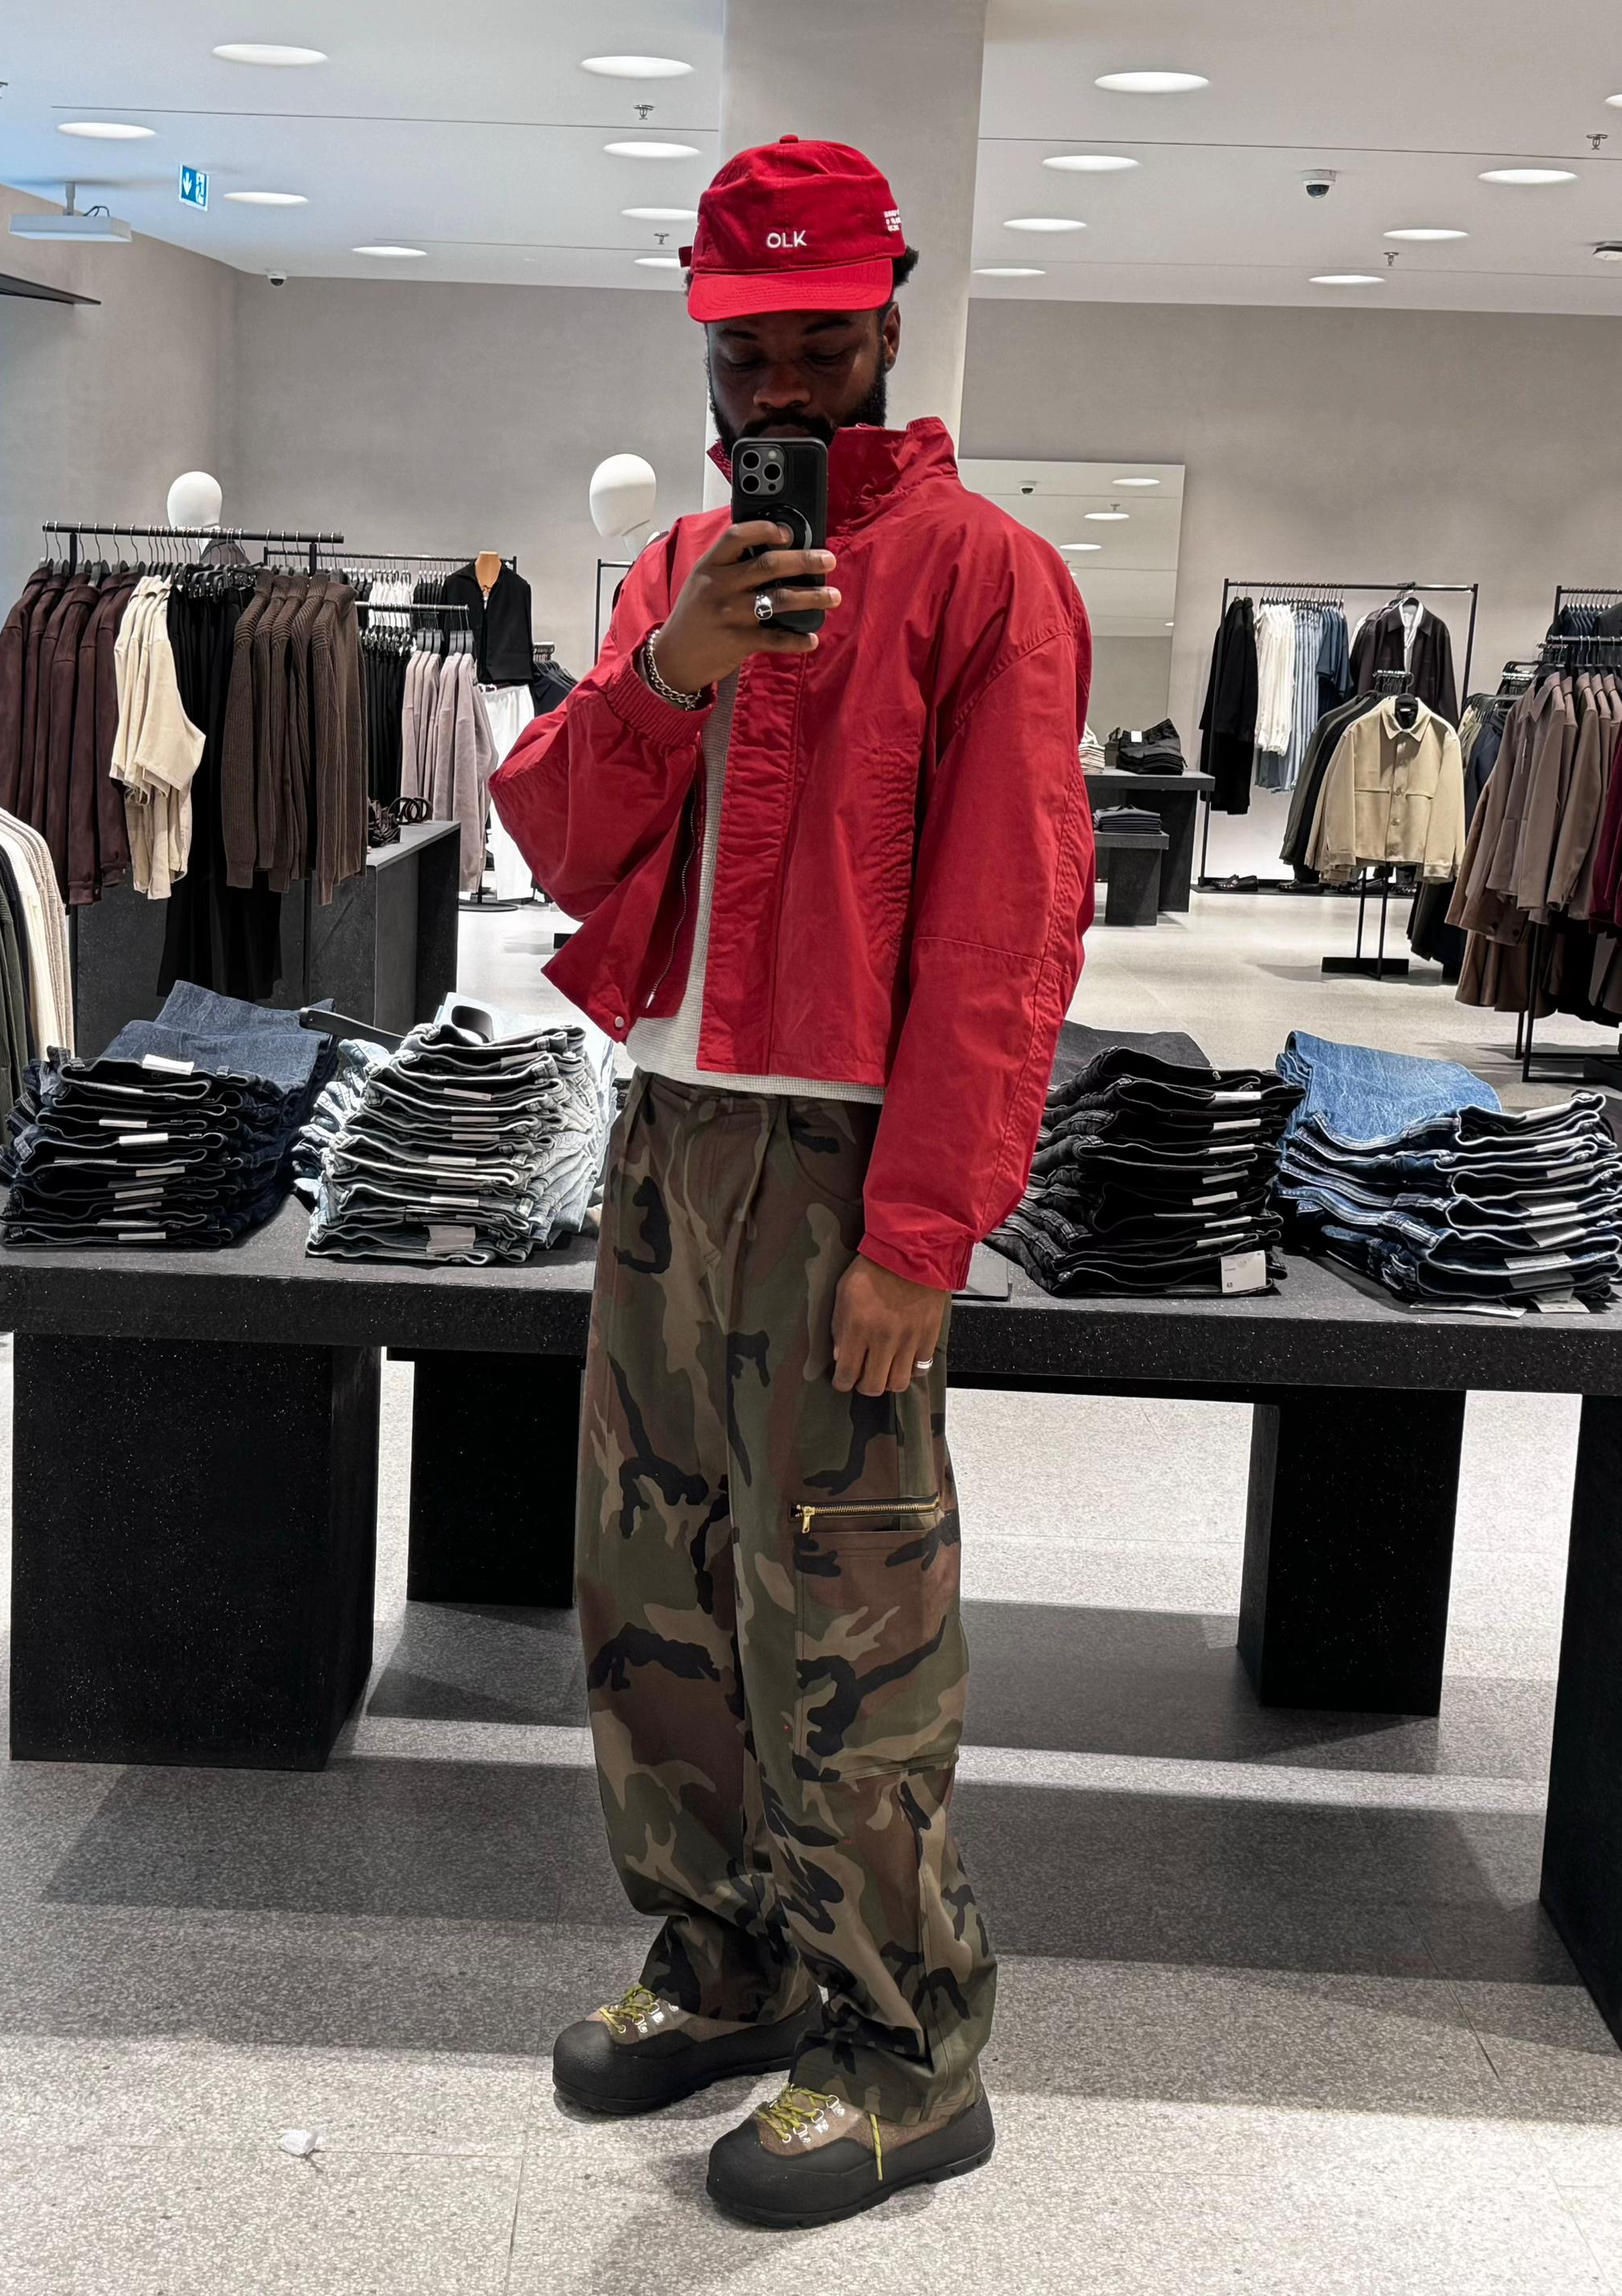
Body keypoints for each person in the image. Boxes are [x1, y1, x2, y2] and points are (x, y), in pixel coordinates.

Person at [490, 133, 1094, 2230]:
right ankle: (726, 1958)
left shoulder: (989, 575)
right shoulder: (679, 569)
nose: (781, 387)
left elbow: (1008, 937)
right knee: (654, 1580)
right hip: (668, 1141)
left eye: (820, 340)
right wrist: (673, 677)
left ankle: (908, 2049)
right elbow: (561, 845)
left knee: (842, 1599)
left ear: (892, 315)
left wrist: (923, 1235)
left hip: (845, 1162)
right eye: (746, 349)